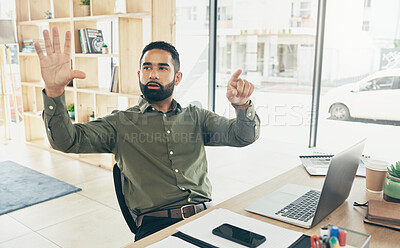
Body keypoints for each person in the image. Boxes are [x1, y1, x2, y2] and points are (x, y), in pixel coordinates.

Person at [34, 26, 260, 241]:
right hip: (156, 226)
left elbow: (242, 136)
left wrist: (242, 106)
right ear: (139, 74)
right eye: (147, 67)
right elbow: (67, 141)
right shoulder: (120, 123)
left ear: (177, 78)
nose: (153, 74)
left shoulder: (197, 117)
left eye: (162, 68)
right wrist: (54, 92)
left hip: (207, 216)